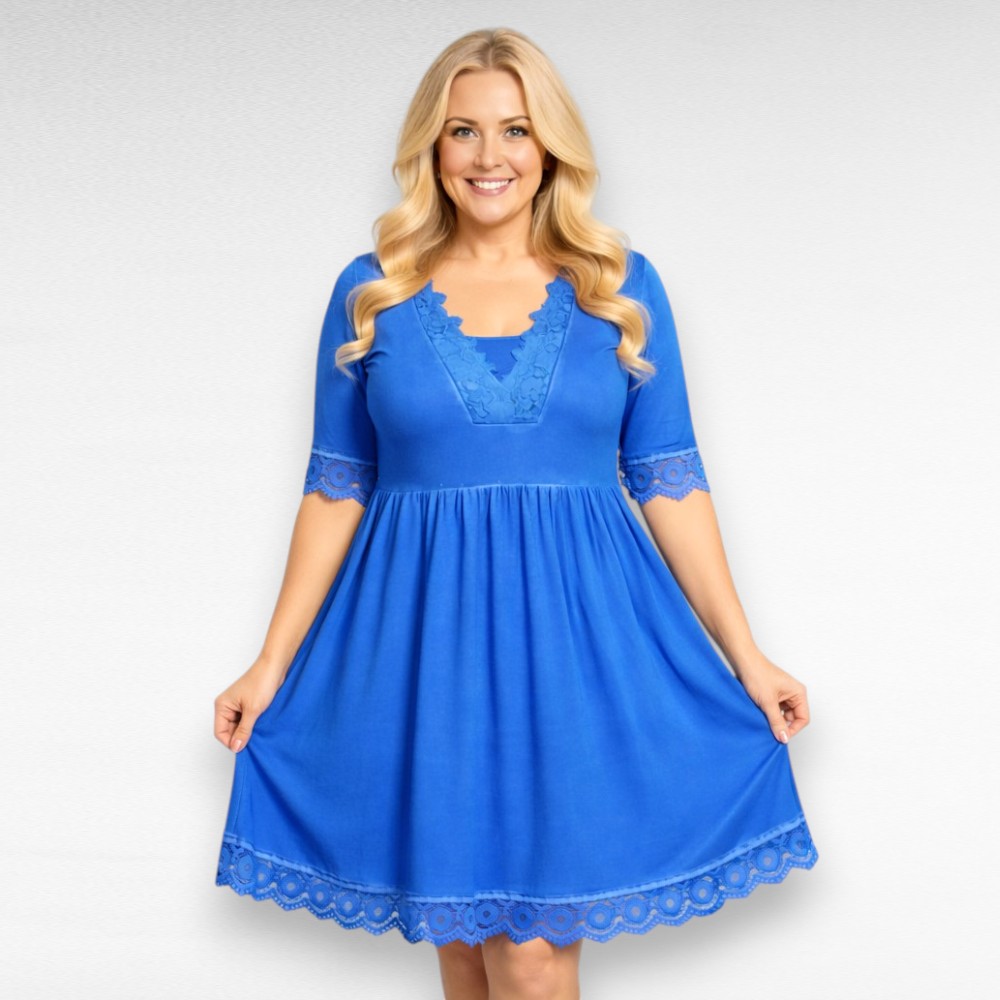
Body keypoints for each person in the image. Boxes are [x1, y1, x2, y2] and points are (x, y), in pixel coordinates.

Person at [213, 26, 817, 1000]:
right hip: (423, 651)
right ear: (432, 145)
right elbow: (336, 485)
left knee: (530, 958)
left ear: (550, 147)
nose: (488, 156)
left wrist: (746, 656)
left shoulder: (618, 286)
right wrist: (268, 663)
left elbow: (669, 478)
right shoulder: (372, 291)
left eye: (515, 130)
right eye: (463, 130)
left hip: (579, 650)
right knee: (464, 952)